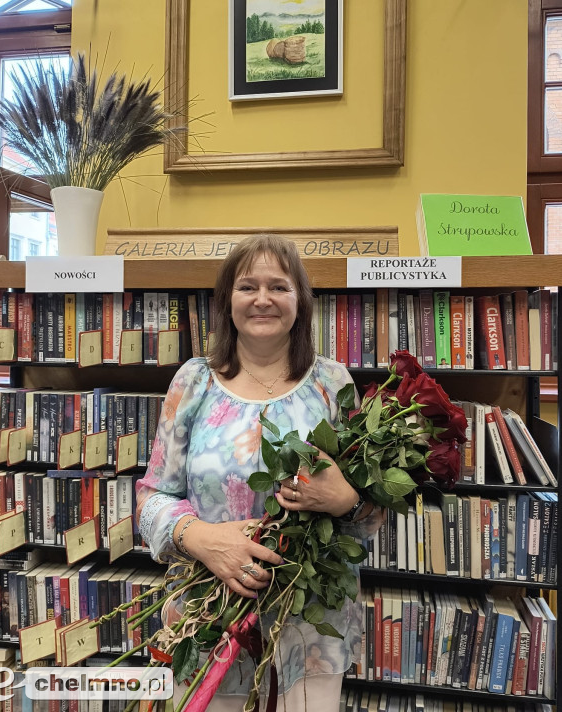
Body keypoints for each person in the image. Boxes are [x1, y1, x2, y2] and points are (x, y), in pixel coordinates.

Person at [135, 234, 381, 712]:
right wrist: (204, 539)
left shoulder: (333, 384)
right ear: (227, 301)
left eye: (279, 287)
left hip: (309, 630)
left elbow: (371, 517)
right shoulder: (193, 381)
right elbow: (150, 498)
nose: (263, 299)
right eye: (248, 286)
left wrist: (346, 500)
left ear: (300, 302)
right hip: (209, 623)